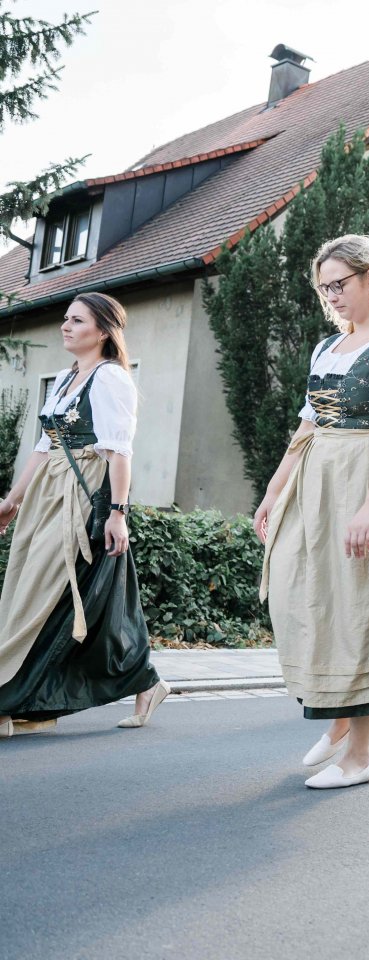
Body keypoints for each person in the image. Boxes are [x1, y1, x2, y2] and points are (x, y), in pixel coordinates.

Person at [256, 235, 369, 789]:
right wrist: (273, 489)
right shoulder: (326, 349)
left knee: (363, 609)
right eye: (324, 286)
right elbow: (307, 426)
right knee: (308, 597)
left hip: (368, 477)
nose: (331, 295)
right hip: (318, 479)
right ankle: (338, 721)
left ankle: (362, 754)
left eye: (340, 284)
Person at [0, 292, 167, 736]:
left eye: (77, 320)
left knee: (46, 589)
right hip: (48, 493)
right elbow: (43, 446)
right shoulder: (64, 377)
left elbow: (120, 453)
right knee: (40, 586)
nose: (65, 326)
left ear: (103, 331)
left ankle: (18, 691)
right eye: (65, 319)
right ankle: (137, 681)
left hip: (82, 491)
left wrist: (117, 512)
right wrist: (12, 501)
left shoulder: (112, 379)